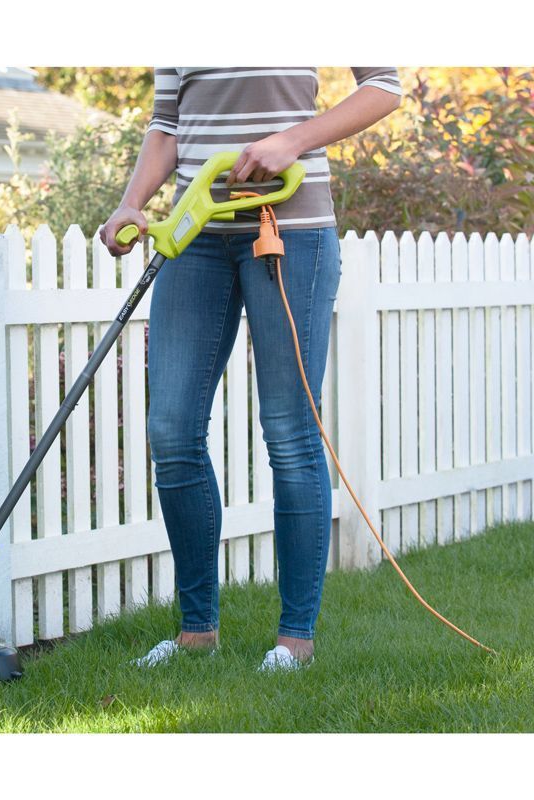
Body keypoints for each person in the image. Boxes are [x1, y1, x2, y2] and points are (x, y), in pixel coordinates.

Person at [100, 67, 401, 671]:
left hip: (289, 226)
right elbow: (167, 125)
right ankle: (197, 632)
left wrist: (292, 140)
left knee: (289, 432)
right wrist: (132, 202)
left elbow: (384, 88)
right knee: (172, 431)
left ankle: (295, 640)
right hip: (195, 232)